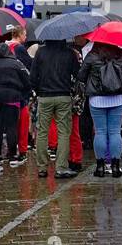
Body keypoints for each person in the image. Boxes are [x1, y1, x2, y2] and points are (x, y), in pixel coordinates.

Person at [80, 41, 122, 178]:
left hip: (97, 99)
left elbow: (81, 76)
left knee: (100, 132)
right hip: (118, 98)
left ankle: (100, 167)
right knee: (115, 132)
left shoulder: (92, 55)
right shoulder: (121, 54)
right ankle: (116, 167)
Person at [31, 37, 79, 179]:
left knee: (42, 132)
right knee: (64, 132)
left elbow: (33, 77)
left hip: (44, 96)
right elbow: (77, 75)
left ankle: (42, 167)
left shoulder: (40, 52)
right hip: (63, 96)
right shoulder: (69, 53)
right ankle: (61, 167)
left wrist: (38, 91)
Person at [0, 42, 31, 166]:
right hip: (13, 99)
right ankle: (12, 155)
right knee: (12, 127)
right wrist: (24, 94)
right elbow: (27, 81)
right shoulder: (16, 64)